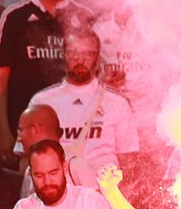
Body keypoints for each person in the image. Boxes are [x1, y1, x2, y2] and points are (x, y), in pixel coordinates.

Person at [0, 0, 91, 158]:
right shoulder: (15, 16)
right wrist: (4, 131)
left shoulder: (85, 17)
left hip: (76, 127)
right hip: (28, 128)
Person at [26, 27, 139, 185]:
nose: (80, 60)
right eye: (73, 53)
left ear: (97, 58)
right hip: (58, 192)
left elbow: (129, 162)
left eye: (88, 54)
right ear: (63, 55)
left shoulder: (117, 103)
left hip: (105, 191)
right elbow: (28, 159)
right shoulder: (42, 101)